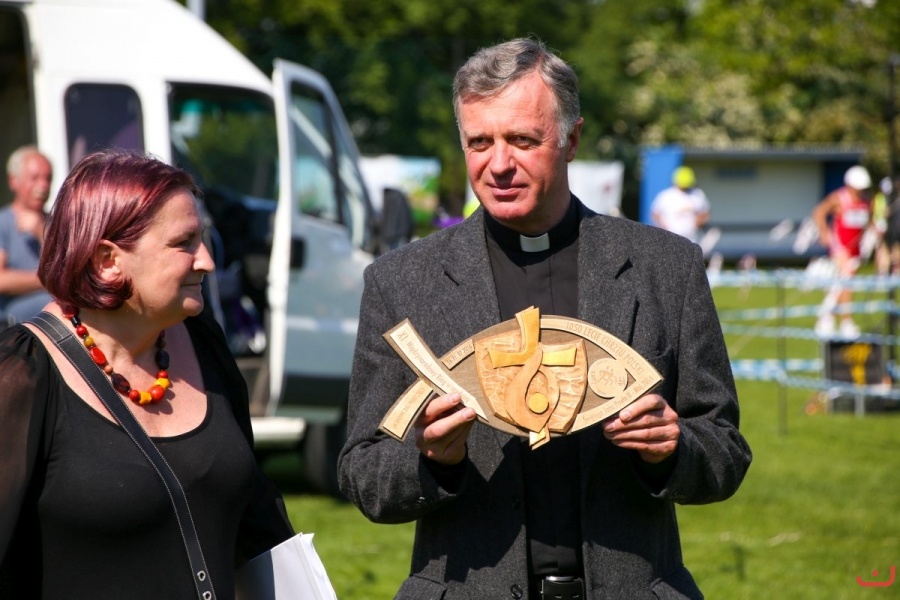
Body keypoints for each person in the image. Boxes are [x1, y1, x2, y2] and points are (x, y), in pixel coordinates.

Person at [338, 38, 751, 600]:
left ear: (571, 139)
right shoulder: (400, 282)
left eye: (523, 140)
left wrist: (672, 449)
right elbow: (362, 474)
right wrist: (432, 460)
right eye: (479, 142)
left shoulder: (666, 267)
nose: (498, 164)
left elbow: (725, 450)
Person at [0, 150, 294, 598]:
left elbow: (256, 521)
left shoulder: (203, 342)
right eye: (184, 243)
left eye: (203, 239)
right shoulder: (23, 373)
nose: (207, 261)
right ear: (107, 260)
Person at [812, 165, 872, 338]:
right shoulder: (838, 197)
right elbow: (819, 212)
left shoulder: (866, 200)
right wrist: (824, 232)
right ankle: (846, 321)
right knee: (846, 282)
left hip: (856, 249)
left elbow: (865, 223)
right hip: (840, 246)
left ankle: (826, 317)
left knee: (840, 285)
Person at [0, 145, 54, 325]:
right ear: (13, 181)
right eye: (34, 178)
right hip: (13, 319)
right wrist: (47, 279)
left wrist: (41, 231)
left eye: (48, 178)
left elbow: (70, 267)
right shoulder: (4, 222)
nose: (43, 185)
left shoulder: (56, 222)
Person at [650, 165, 710, 244]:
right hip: (669, 238)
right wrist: (664, 227)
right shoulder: (665, 195)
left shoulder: (697, 194)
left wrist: (694, 225)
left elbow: (705, 213)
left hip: (692, 239)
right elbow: (655, 213)